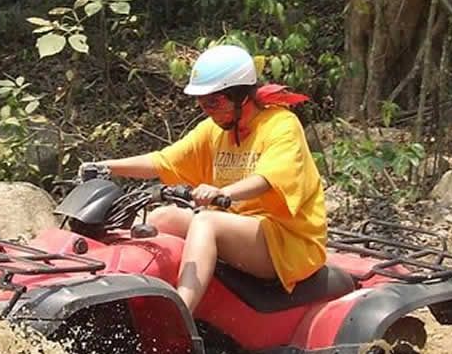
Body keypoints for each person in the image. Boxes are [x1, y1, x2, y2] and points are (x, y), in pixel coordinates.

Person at [84, 44, 327, 313]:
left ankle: (181, 312)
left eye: (214, 101)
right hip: (240, 230)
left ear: (241, 96)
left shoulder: (281, 125)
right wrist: (105, 167)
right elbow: (162, 161)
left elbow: (267, 179)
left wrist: (225, 193)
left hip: (288, 241)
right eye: (201, 102)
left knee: (206, 221)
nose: (207, 109)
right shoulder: (213, 130)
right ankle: (131, 303)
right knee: (160, 217)